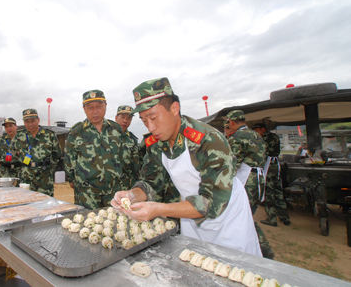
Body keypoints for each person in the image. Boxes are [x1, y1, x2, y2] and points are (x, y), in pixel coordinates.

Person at [112, 77, 261, 256]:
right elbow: (151, 182)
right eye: (144, 121)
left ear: (174, 108)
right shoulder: (157, 143)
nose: (151, 127)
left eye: (153, 117)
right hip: (190, 213)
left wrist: (159, 209)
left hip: (227, 218)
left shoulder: (207, 141)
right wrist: (131, 195)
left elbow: (211, 202)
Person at [64, 90, 124, 210]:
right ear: (84, 109)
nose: (95, 111)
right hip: (87, 193)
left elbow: (120, 156)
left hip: (113, 191)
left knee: (113, 224)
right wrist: (73, 180)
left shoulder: (116, 129)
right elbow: (69, 160)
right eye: (90, 107)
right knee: (89, 223)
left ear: (105, 106)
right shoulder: (77, 131)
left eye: (99, 107)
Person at [226, 110, 274, 259]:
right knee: (247, 213)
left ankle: (263, 247)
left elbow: (233, 163)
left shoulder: (237, 137)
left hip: (246, 179)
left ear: (232, 123)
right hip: (259, 178)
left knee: (242, 214)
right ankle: (261, 246)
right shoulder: (256, 135)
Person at [12, 109, 62, 196]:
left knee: (46, 203)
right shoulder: (19, 136)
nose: (30, 124)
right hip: (26, 177)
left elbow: (57, 155)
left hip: (44, 177)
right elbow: (12, 152)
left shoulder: (49, 135)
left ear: (38, 120)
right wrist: (22, 163)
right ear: (23, 122)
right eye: (27, 121)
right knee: (27, 202)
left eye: (33, 121)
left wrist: (48, 167)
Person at [253, 123, 291, 227]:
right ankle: (285, 218)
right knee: (278, 191)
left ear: (263, 129)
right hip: (275, 164)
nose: (256, 132)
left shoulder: (262, 139)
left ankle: (272, 219)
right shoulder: (275, 136)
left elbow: (262, 153)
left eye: (257, 130)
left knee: (269, 192)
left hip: (268, 165)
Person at [115, 105, 141, 190]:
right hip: (105, 188)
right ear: (116, 118)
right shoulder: (106, 136)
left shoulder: (132, 140)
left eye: (129, 118)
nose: (125, 121)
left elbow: (135, 167)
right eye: (122, 117)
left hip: (124, 187)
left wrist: (134, 188)